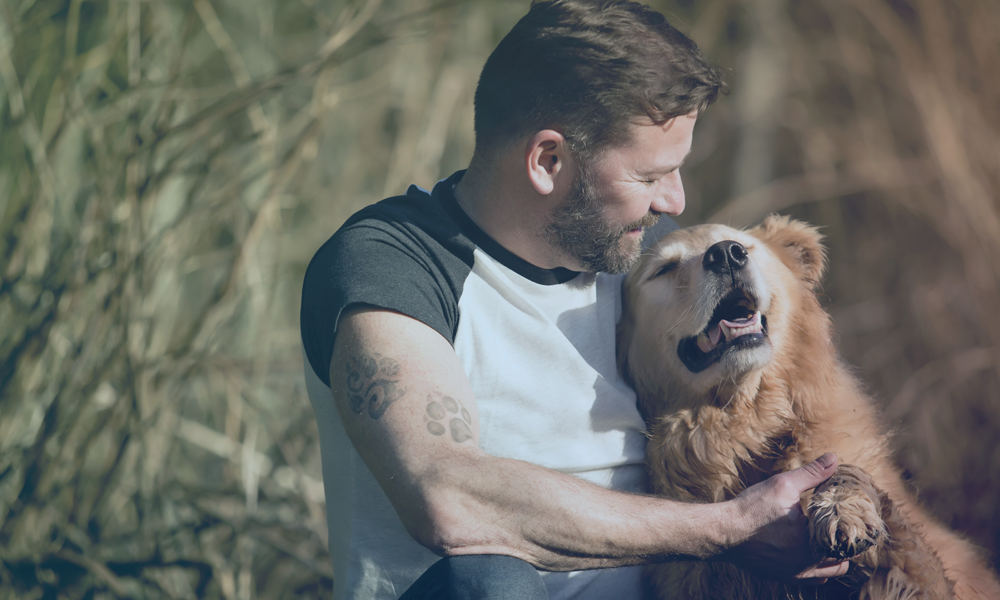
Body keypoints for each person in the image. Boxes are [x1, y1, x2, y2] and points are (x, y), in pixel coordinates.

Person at [300, 1, 849, 598]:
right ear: (549, 161)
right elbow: (447, 498)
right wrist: (728, 528)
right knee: (487, 578)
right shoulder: (394, 265)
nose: (675, 202)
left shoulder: (646, 262)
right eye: (648, 177)